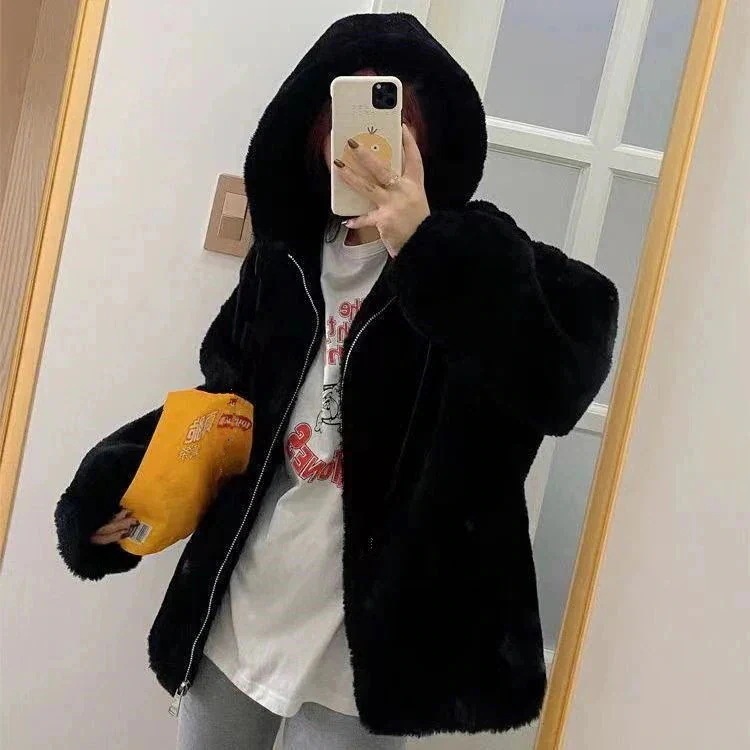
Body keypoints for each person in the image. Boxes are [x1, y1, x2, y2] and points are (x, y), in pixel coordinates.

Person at [55, 12, 619, 749]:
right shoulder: (284, 261)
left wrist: (425, 246)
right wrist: (120, 483)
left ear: (427, 132)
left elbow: (559, 381)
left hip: (367, 648)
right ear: (313, 129)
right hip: (244, 605)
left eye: (390, 112)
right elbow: (226, 400)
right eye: (342, 111)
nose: (360, 139)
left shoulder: (480, 255)